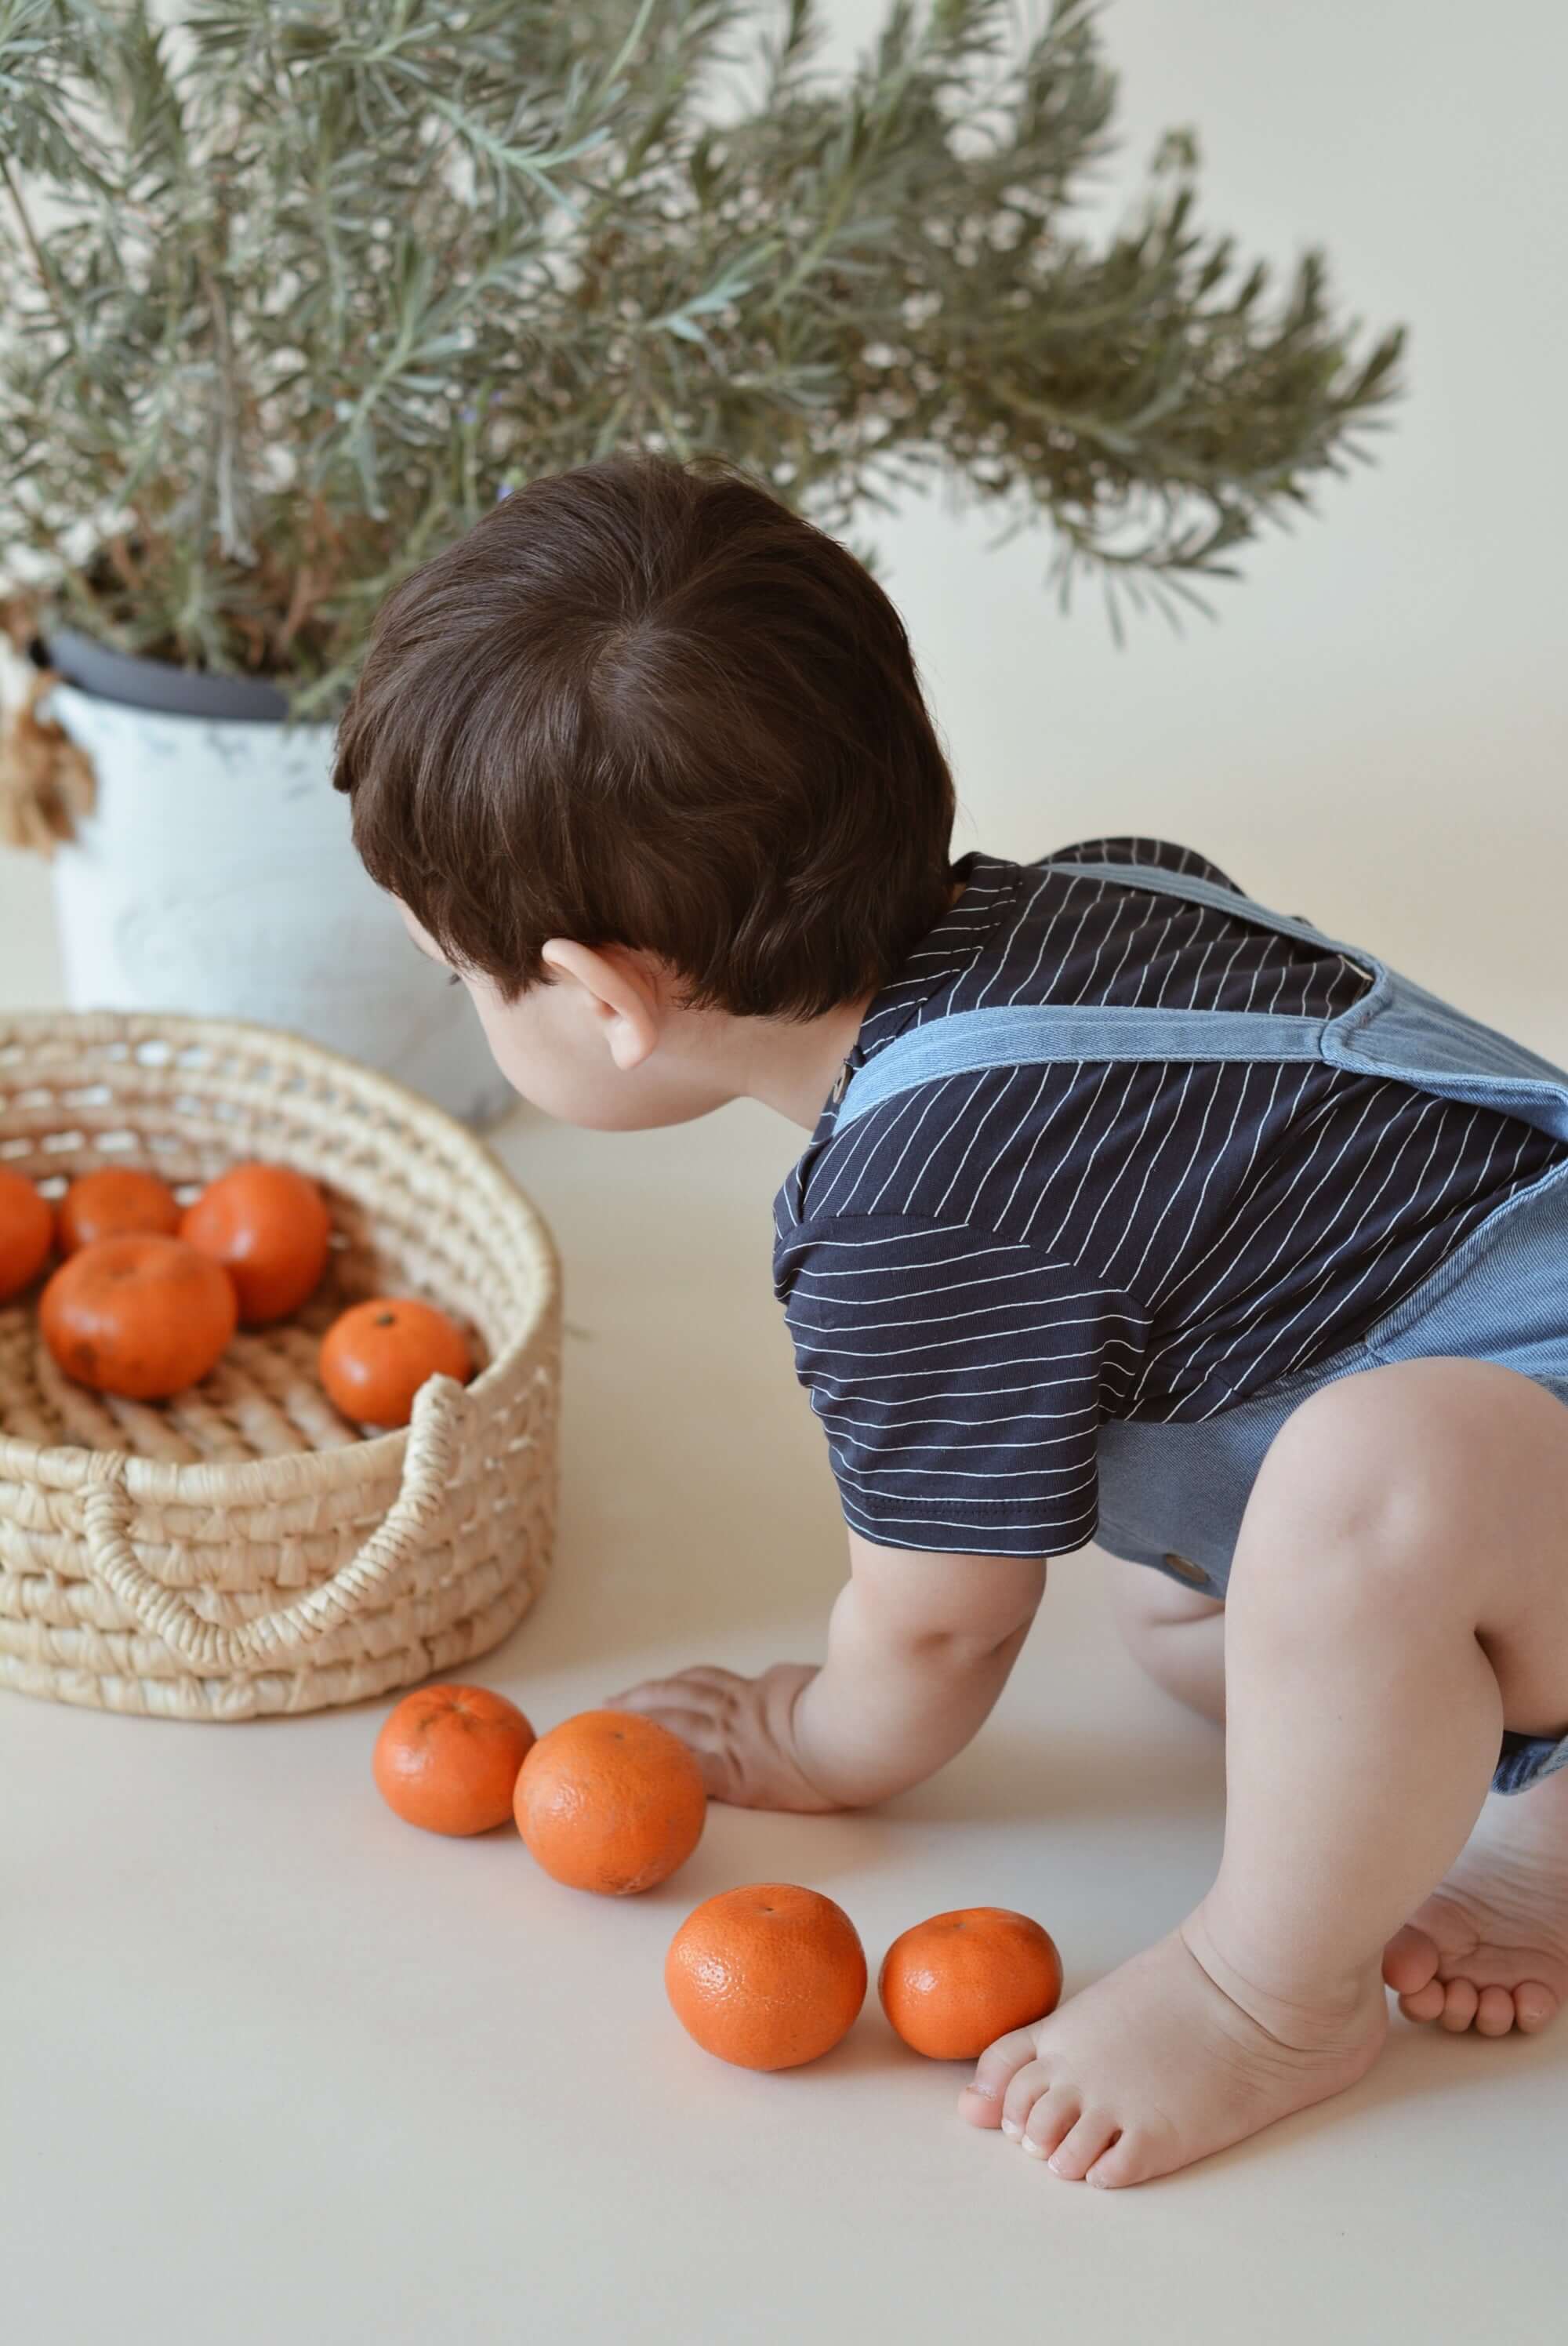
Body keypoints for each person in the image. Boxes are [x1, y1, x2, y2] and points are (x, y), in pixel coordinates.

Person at [333, 449, 1568, 2189]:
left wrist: (810, 1735)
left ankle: (1271, 1990)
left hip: (1519, 1468)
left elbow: (938, 1628)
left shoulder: (910, 1217)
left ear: (606, 997)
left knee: (1373, 1487)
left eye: (472, 976)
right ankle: (1501, 1769)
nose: (476, 1006)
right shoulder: (1100, 893)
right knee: (1189, 1614)